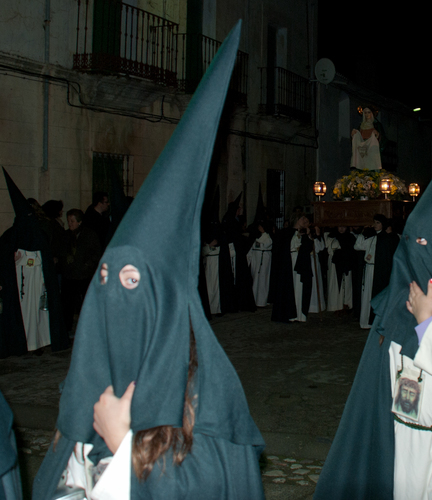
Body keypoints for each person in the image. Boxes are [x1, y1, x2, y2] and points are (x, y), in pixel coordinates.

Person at [33, 22, 265, 500]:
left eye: (132, 279)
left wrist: (122, 450)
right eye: (106, 279)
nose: (114, 294)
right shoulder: (87, 393)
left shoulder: (207, 403)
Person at [313, 69, 432, 500]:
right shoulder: (401, 292)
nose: (417, 252)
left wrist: (429, 327)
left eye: (426, 244)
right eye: (413, 242)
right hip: (401, 435)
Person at [0, 169, 68, 358]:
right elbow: (6, 253)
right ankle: (25, 342)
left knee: (38, 314)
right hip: (21, 282)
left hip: (37, 280)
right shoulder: (11, 235)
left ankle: (39, 342)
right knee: (25, 314)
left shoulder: (39, 234)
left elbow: (44, 256)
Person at [354, 214, 399, 329]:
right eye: (374, 222)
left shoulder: (386, 238)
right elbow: (358, 246)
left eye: (378, 223)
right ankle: (365, 321)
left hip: (378, 271)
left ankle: (374, 321)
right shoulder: (372, 236)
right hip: (369, 269)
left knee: (376, 294)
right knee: (367, 294)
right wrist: (364, 232)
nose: (375, 225)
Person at [60, 209, 101, 332]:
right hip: (69, 275)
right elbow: (59, 251)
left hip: (84, 275)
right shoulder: (66, 235)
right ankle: (66, 328)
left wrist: (87, 264)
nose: (70, 224)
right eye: (68, 221)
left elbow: (96, 253)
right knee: (67, 304)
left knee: (85, 303)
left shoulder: (89, 235)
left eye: (72, 221)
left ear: (79, 222)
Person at [325, 226, 356, 312]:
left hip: (346, 263)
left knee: (347, 283)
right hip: (334, 263)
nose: (341, 229)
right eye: (339, 226)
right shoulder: (331, 237)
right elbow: (328, 249)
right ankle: (335, 305)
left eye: (344, 227)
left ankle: (346, 303)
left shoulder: (350, 237)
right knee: (334, 283)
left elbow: (352, 251)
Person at [350, 106, 386, 171]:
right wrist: (354, 135)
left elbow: (384, 140)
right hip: (363, 153)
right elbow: (357, 141)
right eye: (365, 113)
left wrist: (377, 135)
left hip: (372, 153)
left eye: (368, 112)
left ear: (372, 113)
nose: (367, 115)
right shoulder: (361, 126)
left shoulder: (377, 125)